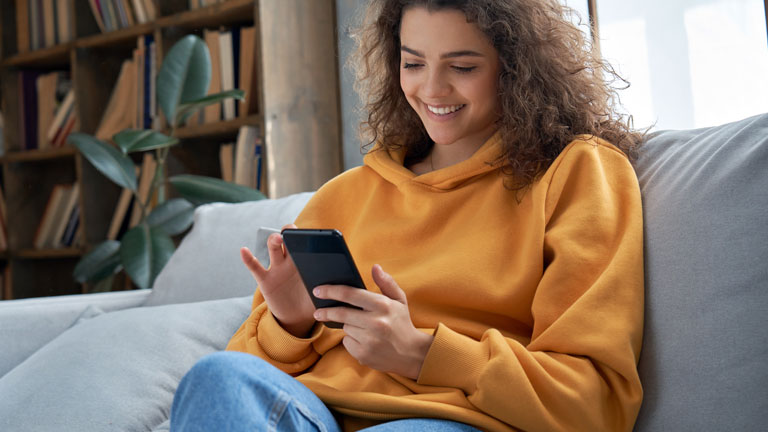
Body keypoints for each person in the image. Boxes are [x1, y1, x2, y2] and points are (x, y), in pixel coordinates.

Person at [170, 0, 645, 430]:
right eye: (413, 63)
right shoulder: (347, 193)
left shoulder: (577, 172)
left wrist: (421, 352)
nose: (432, 88)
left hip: (450, 417)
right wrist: (291, 325)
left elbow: (595, 403)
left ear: (515, 69)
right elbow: (245, 384)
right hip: (314, 412)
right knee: (218, 377)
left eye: (462, 66)